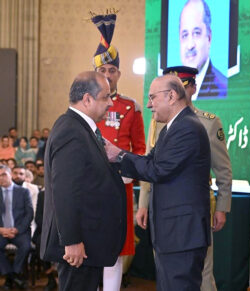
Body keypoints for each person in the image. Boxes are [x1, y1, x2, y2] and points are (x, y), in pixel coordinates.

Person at [105, 74, 211, 291]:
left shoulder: (186, 128)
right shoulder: (172, 127)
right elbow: (151, 162)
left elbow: (158, 170)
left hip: (182, 236)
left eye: (153, 97)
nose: (148, 104)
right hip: (174, 234)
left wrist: (119, 155)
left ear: (171, 96)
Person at [137, 66, 232, 291]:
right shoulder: (160, 122)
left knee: (202, 272)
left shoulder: (208, 122)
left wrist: (222, 207)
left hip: (195, 206)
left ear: (192, 88)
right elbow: (151, 165)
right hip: (163, 207)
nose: (180, 91)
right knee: (168, 270)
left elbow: (223, 170)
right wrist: (143, 204)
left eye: (184, 86)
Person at [40, 71, 127, 291]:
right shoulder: (71, 130)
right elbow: (65, 191)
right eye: (106, 97)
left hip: (88, 242)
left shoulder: (81, 128)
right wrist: (71, 241)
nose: (110, 103)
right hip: (78, 247)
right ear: (87, 99)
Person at [91, 12, 146, 290]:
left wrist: (127, 174)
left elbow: (140, 149)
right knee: (88, 247)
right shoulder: (85, 106)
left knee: (115, 250)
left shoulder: (131, 107)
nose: (108, 75)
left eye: (112, 70)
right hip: (90, 186)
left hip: (119, 187)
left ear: (119, 73)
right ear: (95, 73)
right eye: (102, 71)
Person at [179, 0, 227, 99]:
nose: (190, 45)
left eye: (196, 33)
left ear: (209, 37)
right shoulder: (171, 90)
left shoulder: (223, 88)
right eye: (185, 35)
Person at [0, 165, 33, 290]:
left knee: (26, 246)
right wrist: (1, 230)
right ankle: (13, 275)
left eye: (3, 174)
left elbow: (29, 214)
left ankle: (10, 276)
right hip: (1, 232)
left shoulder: (23, 192)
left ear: (10, 175)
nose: (1, 178)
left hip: (19, 232)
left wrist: (17, 229)